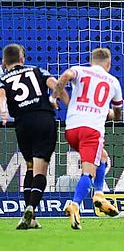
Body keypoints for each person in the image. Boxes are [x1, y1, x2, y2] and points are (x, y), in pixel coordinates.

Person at [52, 48, 124, 229]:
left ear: (91, 61)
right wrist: (108, 113)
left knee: (103, 158)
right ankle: (75, 204)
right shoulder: (113, 82)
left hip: (71, 130)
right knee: (88, 173)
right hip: (92, 131)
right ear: (108, 64)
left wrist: (54, 96)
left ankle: (99, 195)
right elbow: (117, 114)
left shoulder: (80, 70)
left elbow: (66, 75)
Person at [0, 44, 69, 230]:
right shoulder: (37, 70)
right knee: (40, 171)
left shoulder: (3, 77)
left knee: (29, 166)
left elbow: (2, 97)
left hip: (22, 124)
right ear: (22, 59)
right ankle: (31, 207)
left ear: (4, 62)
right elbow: (57, 85)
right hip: (43, 119)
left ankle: (31, 218)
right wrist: (58, 100)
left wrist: (3, 111)